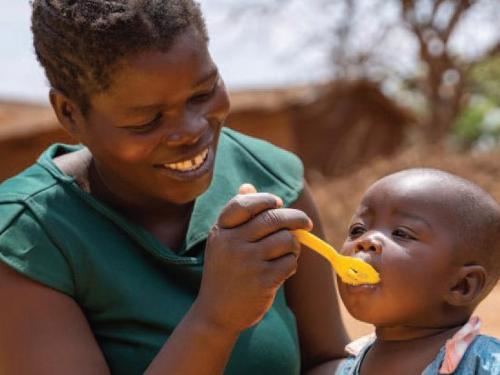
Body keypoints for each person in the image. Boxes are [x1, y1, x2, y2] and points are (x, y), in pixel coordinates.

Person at [0, 1, 349, 374]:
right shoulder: (29, 239)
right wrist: (215, 319)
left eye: (203, 93)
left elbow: (328, 360)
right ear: (69, 112)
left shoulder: (271, 178)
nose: (191, 130)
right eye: (147, 119)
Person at [322, 169, 500, 374]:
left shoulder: (486, 365)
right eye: (357, 230)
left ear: (462, 285)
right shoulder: (350, 366)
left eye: (401, 233)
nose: (366, 241)